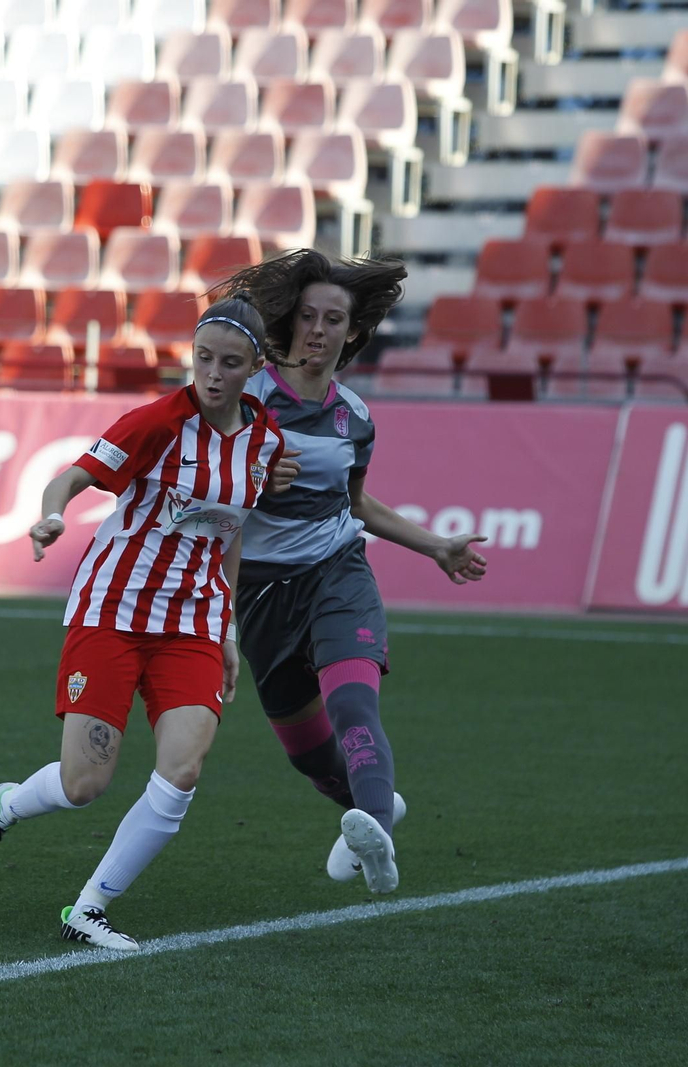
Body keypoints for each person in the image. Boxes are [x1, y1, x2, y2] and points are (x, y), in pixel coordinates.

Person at [0, 296, 286, 952]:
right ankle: (2, 807)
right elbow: (70, 479)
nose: (213, 373)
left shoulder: (265, 442)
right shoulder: (158, 422)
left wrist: (228, 630)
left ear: (256, 368)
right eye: (204, 357)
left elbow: (230, 534)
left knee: (184, 769)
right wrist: (49, 515)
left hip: (191, 622)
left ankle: (92, 906)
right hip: (114, 612)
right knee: (84, 785)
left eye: (230, 363)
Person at [216, 249, 489, 897]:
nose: (317, 328)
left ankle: (377, 839)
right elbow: (202, 485)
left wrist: (437, 547)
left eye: (332, 318)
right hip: (259, 597)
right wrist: (251, 474)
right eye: (307, 315)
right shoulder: (246, 397)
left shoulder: (355, 417)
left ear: (351, 331)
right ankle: (372, 807)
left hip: (336, 577)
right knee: (309, 755)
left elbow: (357, 504)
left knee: (351, 701)